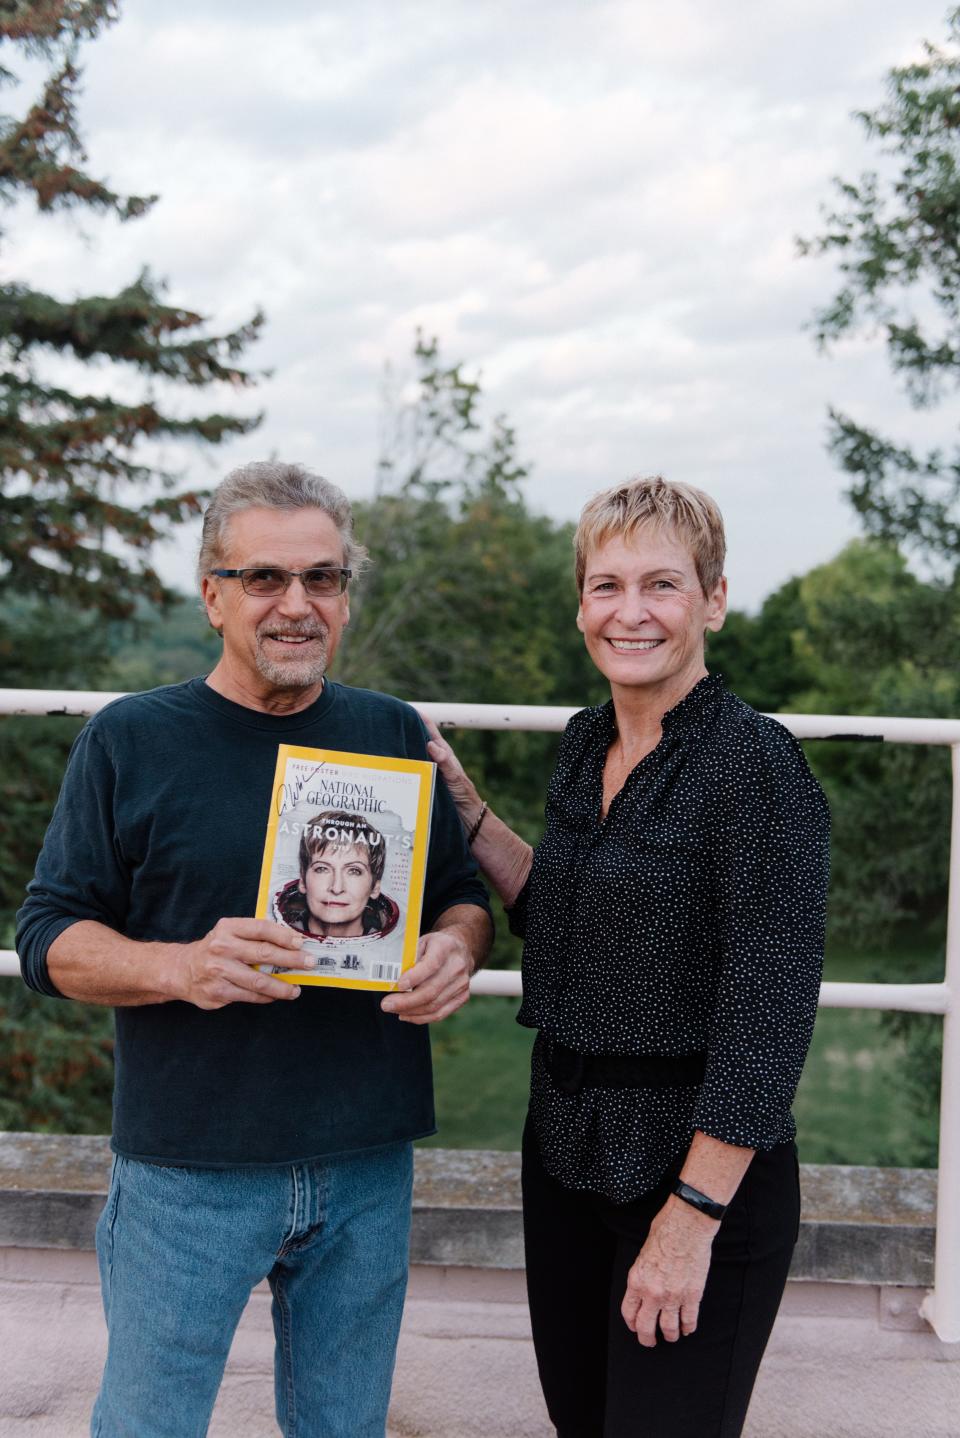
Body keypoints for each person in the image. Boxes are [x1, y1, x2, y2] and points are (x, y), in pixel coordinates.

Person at [16, 460, 493, 1438]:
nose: (296, 604)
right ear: (211, 596)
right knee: (147, 1426)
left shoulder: (393, 733)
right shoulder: (129, 740)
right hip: (188, 1168)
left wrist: (456, 947)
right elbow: (47, 935)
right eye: (265, 578)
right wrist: (177, 966)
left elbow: (458, 895)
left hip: (365, 1159)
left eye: (323, 578)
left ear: (347, 598)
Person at [422, 476, 830, 1438]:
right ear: (580, 606)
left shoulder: (754, 765)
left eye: (663, 584)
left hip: (690, 1171)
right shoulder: (584, 742)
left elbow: (769, 1021)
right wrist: (466, 809)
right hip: (564, 1154)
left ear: (714, 601)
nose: (631, 612)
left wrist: (690, 1221)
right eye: (606, 586)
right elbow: (561, 915)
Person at [275, 809, 399, 940]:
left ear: (375, 888)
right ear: (302, 880)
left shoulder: (395, 945)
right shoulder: (275, 930)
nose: (336, 888)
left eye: (354, 871)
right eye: (322, 869)